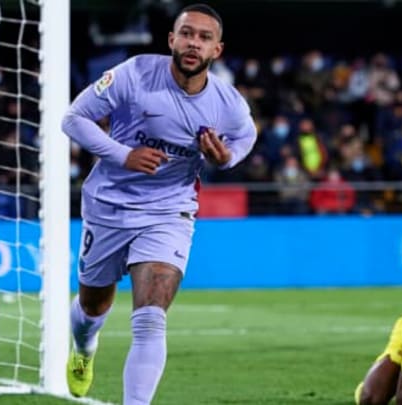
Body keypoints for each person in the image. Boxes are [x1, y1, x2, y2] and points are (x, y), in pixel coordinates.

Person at [60, 4, 257, 404]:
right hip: (110, 204)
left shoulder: (226, 102)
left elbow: (245, 136)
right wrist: (122, 154)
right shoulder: (134, 74)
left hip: (170, 210)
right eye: (186, 34)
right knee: (92, 305)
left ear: (216, 51)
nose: (193, 43)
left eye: (204, 38)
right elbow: (74, 118)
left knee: (150, 317)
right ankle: (84, 348)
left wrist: (226, 158)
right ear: (172, 39)